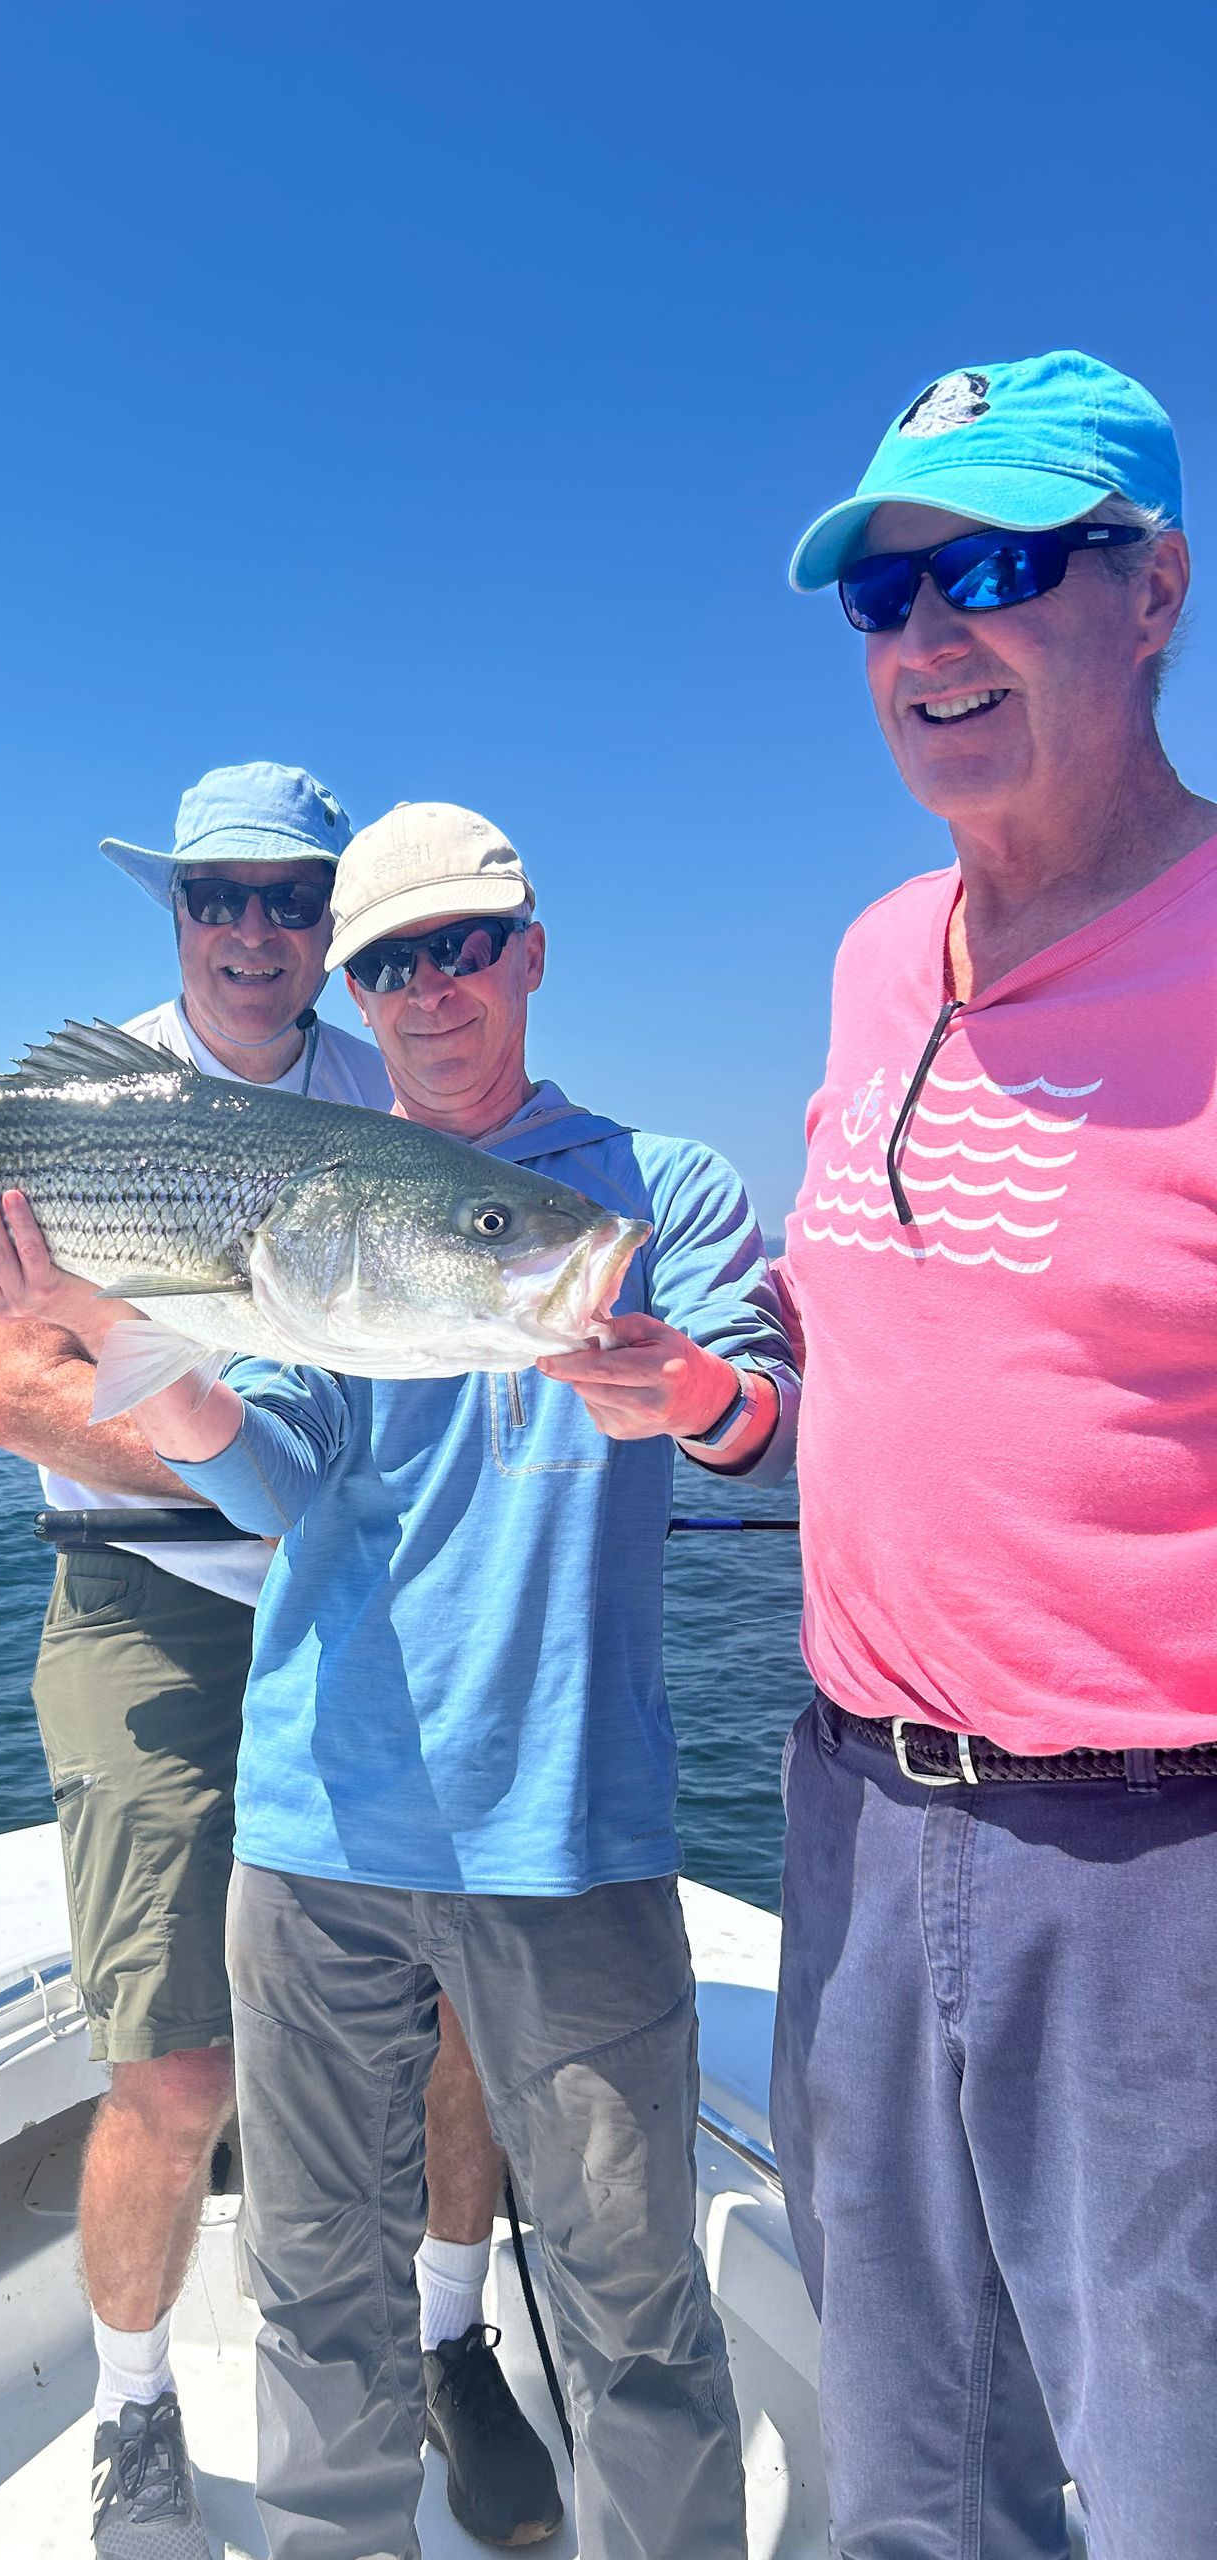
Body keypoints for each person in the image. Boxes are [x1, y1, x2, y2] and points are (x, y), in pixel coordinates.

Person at [0, 799, 798, 2560]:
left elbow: (762, 1434)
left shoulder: (659, 1191)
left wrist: (688, 1393)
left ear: (530, 953)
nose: (431, 985)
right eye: (395, 959)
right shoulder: (321, 1200)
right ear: (359, 984)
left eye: (464, 944)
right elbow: (275, 1472)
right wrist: (100, 1328)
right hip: (315, 1825)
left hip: (567, 1825)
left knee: (635, 2308)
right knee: (317, 2288)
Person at [772, 349, 1217, 2559]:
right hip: (852, 1808)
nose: (931, 636)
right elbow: (895, 1325)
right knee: (906, 2467)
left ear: (1155, 594)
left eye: (1002, 570)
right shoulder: (872, 956)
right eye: (887, 596)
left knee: (1165, 2468)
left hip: (1154, 1863)